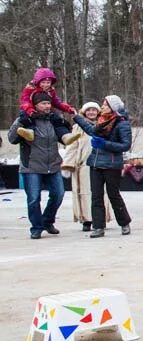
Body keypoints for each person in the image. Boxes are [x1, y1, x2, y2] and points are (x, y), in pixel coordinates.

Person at [73, 95, 134, 238]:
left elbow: (125, 145)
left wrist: (104, 144)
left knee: (114, 195)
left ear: (113, 107)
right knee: (96, 196)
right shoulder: (101, 121)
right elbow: (90, 130)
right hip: (95, 164)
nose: (102, 107)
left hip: (112, 164)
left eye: (105, 105)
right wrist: (77, 117)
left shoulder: (121, 123)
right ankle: (98, 227)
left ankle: (124, 223)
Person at [7, 92, 67, 239]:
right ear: (35, 105)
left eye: (48, 103)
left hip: (52, 165)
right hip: (31, 166)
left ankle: (47, 221)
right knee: (34, 198)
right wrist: (19, 122)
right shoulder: (26, 120)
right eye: (43, 104)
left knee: (58, 194)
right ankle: (36, 227)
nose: (47, 106)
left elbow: (64, 137)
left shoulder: (53, 120)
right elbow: (12, 138)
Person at [61, 101, 112, 231]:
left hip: (100, 164)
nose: (91, 112)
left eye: (94, 110)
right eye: (88, 110)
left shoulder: (104, 125)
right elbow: (72, 146)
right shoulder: (78, 127)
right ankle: (86, 220)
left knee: (100, 193)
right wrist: (68, 164)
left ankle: (100, 219)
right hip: (83, 166)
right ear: (84, 112)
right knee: (84, 193)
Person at [17, 67, 79, 146]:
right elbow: (25, 100)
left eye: (48, 82)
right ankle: (29, 131)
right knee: (25, 117)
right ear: (38, 81)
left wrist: (68, 108)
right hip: (30, 109)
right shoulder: (30, 88)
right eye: (43, 82)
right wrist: (30, 110)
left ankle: (65, 135)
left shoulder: (51, 90)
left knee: (58, 119)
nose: (46, 85)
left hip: (46, 111)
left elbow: (57, 102)